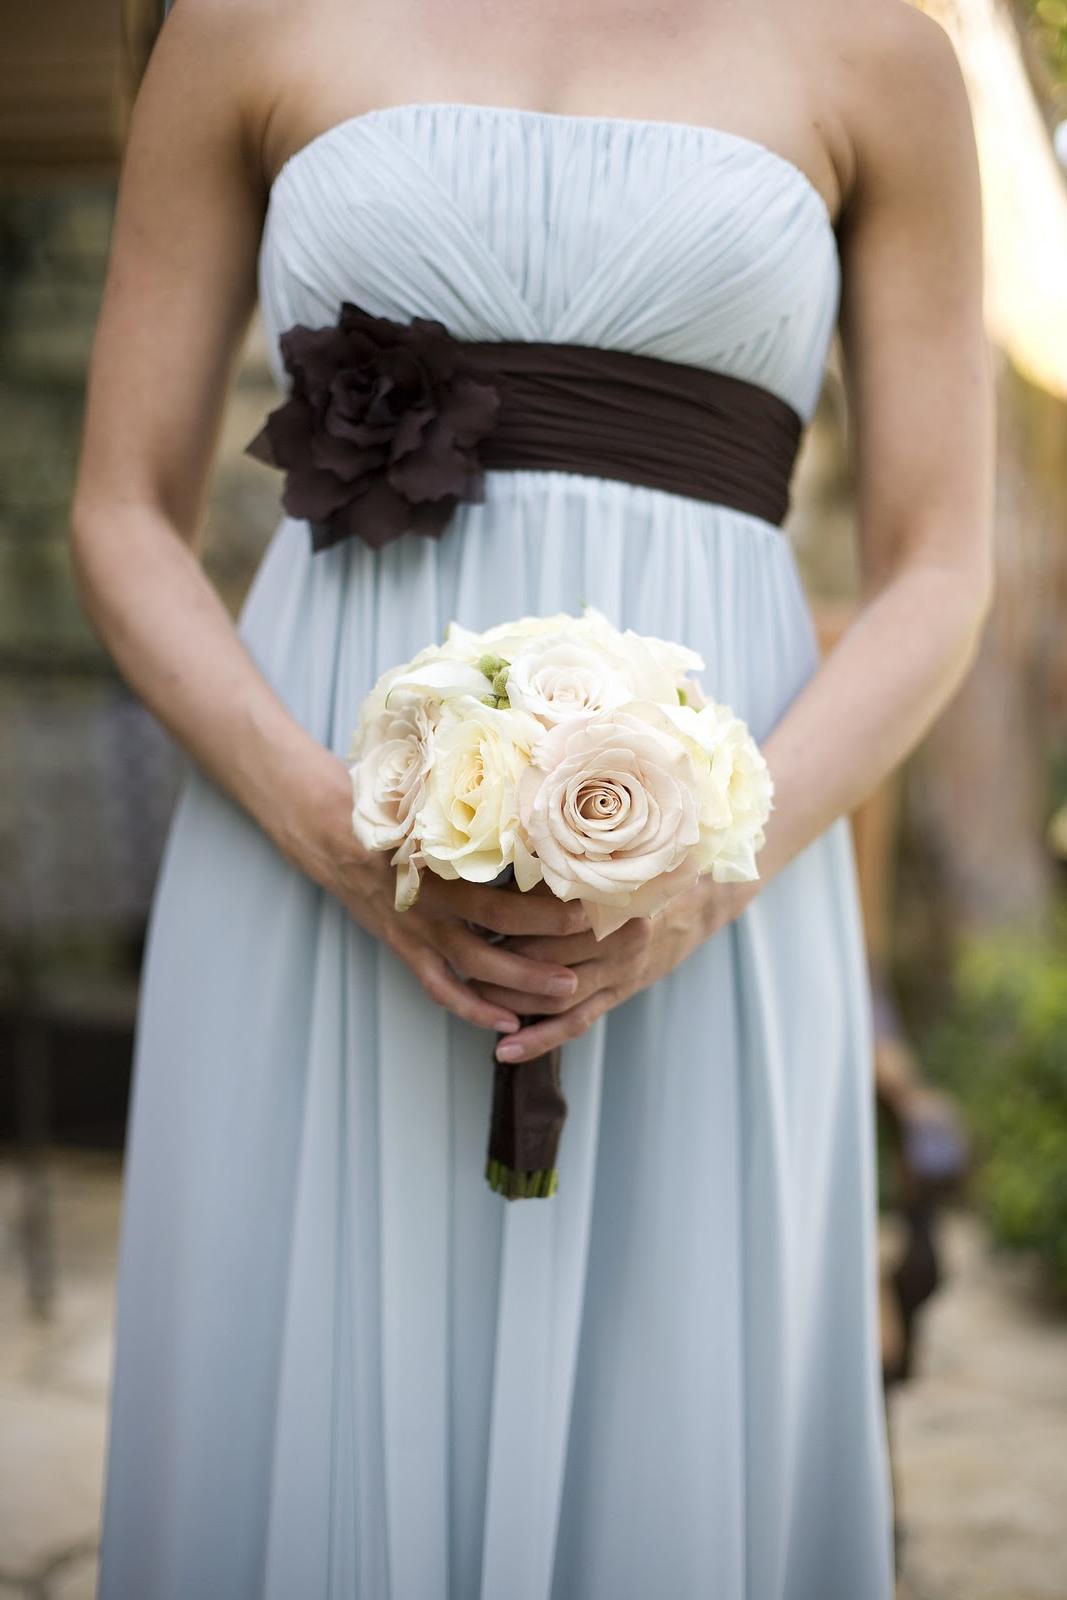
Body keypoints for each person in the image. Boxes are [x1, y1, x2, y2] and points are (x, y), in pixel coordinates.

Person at [71, 1, 994, 1595]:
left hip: (713, 894)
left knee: (667, 1396)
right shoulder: (243, 25)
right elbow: (119, 514)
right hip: (311, 861)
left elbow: (939, 567)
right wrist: (330, 828)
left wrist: (715, 870)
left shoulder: (879, 57)